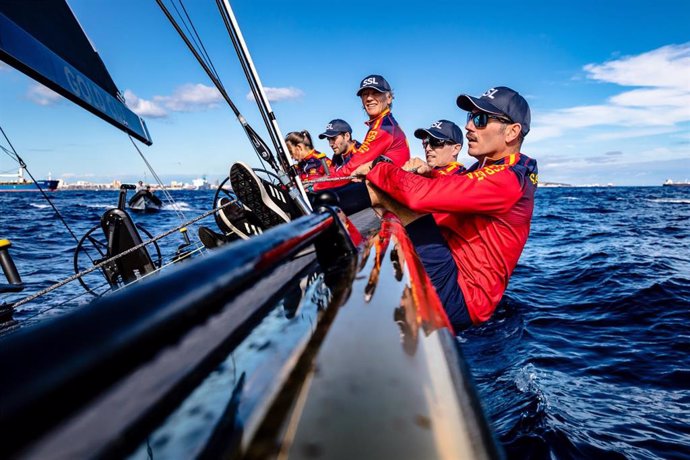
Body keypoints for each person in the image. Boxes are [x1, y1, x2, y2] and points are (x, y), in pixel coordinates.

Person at [354, 86, 538, 332]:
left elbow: (419, 197)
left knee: (388, 196)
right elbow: (454, 189)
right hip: (454, 274)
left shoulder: (507, 180)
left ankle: (326, 212)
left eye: (481, 119)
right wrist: (430, 174)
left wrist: (379, 167)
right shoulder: (493, 169)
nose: (469, 126)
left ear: (512, 132)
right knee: (390, 198)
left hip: (463, 300)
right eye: (470, 117)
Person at [228, 74, 410, 228]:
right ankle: (252, 221)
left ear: (389, 97)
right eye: (365, 94)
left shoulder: (384, 128)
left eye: (375, 93)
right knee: (314, 199)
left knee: (321, 200)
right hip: (384, 191)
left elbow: (351, 168)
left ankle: (275, 218)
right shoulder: (382, 125)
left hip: (387, 195)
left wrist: (313, 186)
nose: (369, 98)